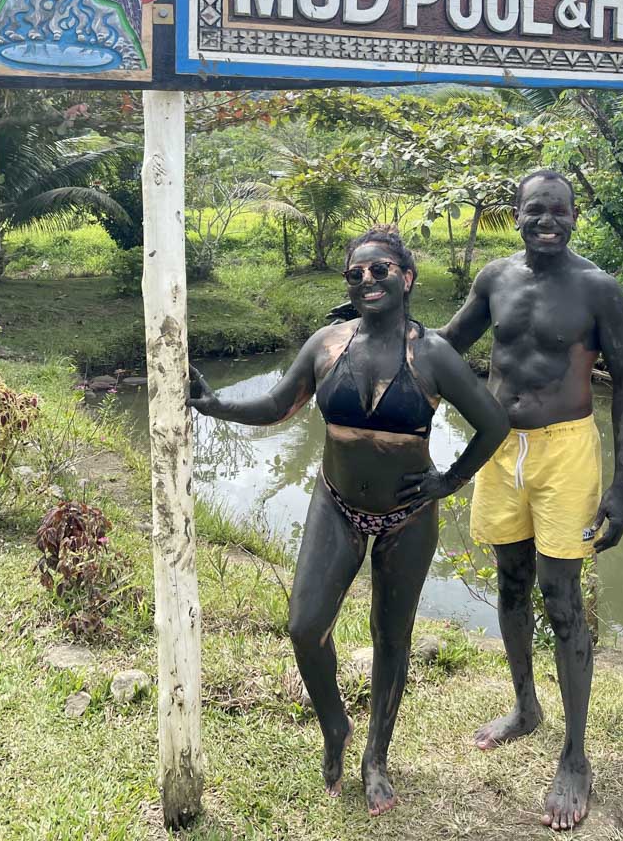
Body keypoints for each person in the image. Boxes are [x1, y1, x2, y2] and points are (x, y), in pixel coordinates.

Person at [187, 225, 509, 818]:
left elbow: (492, 424)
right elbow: (278, 404)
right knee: (305, 626)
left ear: (406, 278)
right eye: (356, 273)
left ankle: (375, 759)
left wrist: (447, 482)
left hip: (408, 517)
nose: (367, 280)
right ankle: (334, 725)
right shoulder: (327, 343)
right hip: (336, 502)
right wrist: (216, 406)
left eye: (380, 270)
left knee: (392, 637)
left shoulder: (432, 354)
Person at [438, 169, 623, 832]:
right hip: (499, 448)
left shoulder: (597, 289)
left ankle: (576, 755)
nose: (546, 221)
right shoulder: (495, 278)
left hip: (565, 453)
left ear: (575, 216)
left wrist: (622, 486)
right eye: (534, 211)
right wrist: (376, 333)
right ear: (516, 214)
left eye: (558, 212)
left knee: (562, 599)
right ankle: (526, 708)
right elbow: (447, 346)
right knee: (509, 584)